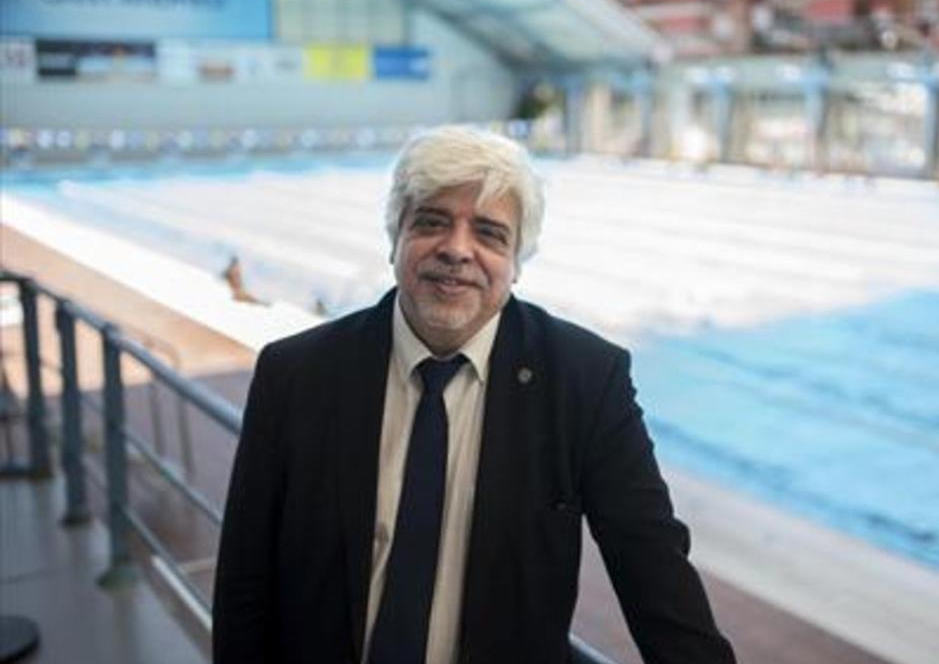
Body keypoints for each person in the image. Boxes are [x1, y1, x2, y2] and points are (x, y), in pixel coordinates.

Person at [212, 125, 736, 664]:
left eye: (489, 233)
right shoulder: (297, 375)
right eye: (432, 222)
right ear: (396, 236)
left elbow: (653, 566)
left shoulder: (583, 381)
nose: (457, 250)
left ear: (516, 261)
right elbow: (244, 582)